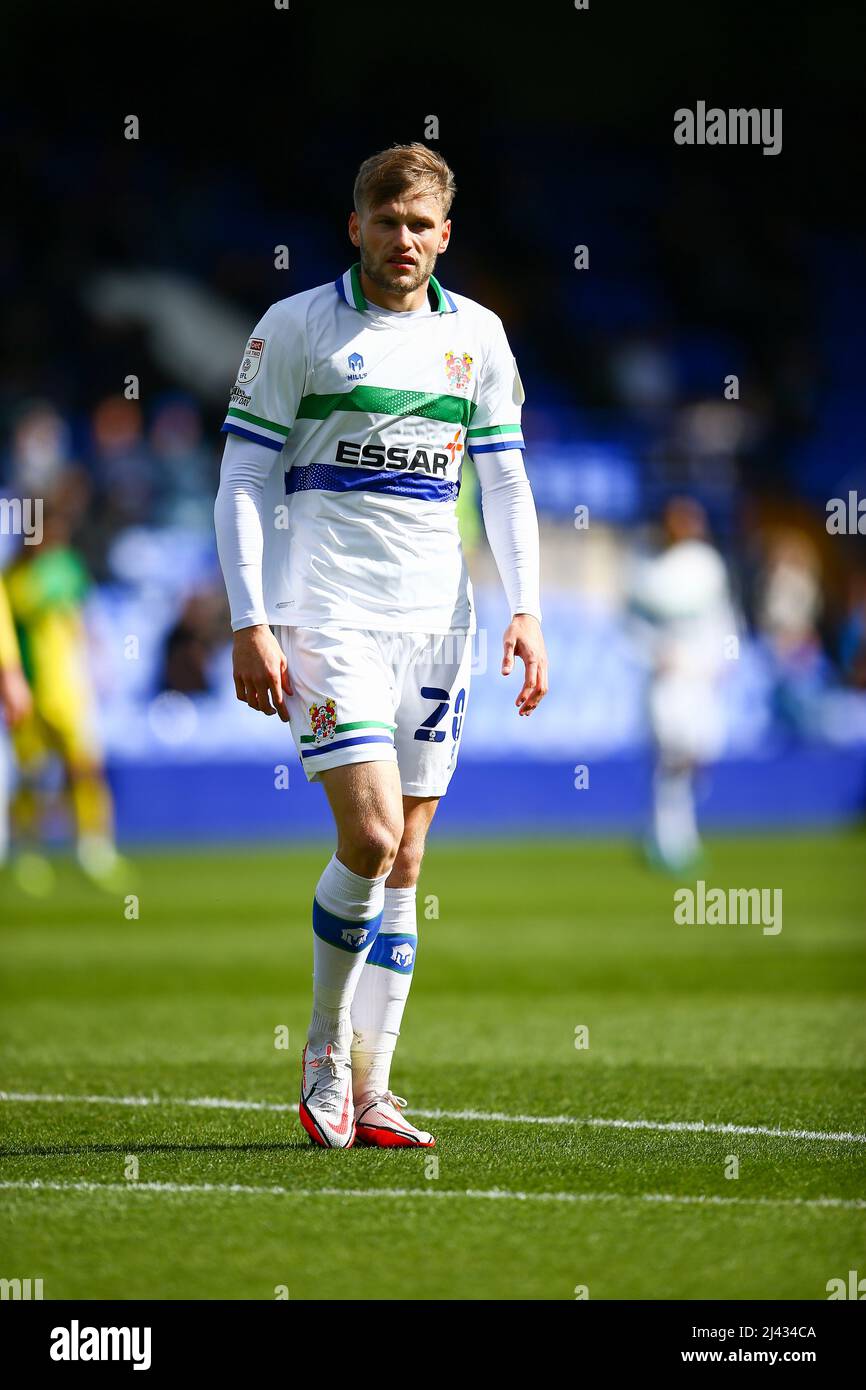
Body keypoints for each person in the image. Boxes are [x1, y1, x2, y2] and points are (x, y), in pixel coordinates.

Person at [214, 143, 547, 1149]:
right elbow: (239, 481)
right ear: (354, 224)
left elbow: (502, 482)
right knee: (367, 838)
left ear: (444, 235)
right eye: (385, 220)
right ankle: (322, 1055)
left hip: (439, 624)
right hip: (328, 617)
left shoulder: (478, 338)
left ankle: (373, 1089)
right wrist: (248, 618)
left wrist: (524, 608)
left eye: (421, 225)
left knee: (404, 863)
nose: (402, 240)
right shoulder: (297, 328)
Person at [629, 496, 736, 873]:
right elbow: (633, 627)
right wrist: (655, 654)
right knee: (672, 760)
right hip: (668, 682)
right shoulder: (647, 569)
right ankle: (670, 843)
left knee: (697, 758)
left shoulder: (708, 566)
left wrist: (724, 659)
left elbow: (722, 619)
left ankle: (674, 836)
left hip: (702, 680)